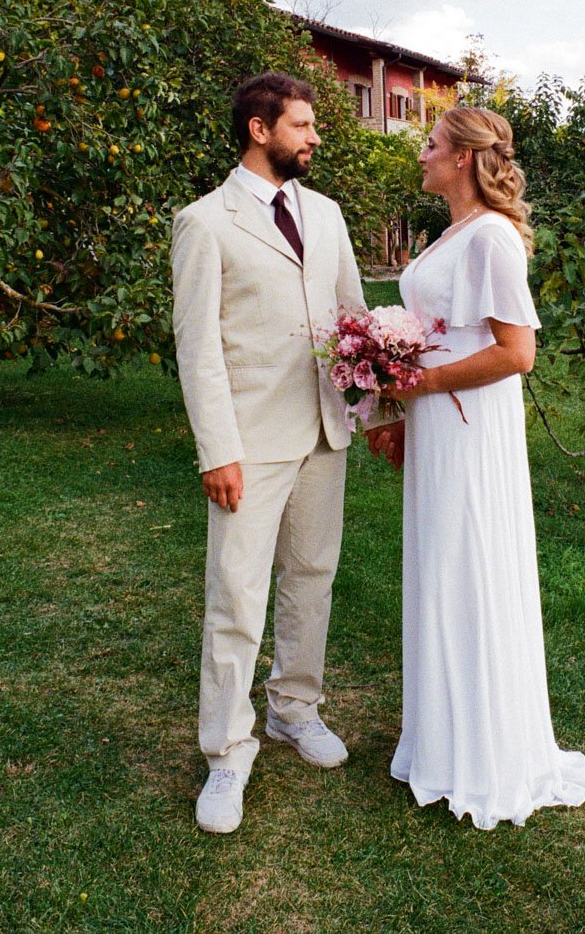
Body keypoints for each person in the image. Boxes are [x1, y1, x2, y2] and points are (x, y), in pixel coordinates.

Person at [171, 72, 398, 834]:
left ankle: (294, 710)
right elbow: (197, 348)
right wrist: (216, 451)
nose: (315, 138)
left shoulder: (327, 213)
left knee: (312, 577)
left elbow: (354, 321)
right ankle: (227, 751)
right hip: (249, 442)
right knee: (235, 596)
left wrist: (375, 416)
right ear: (260, 130)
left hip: (324, 433)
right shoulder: (205, 222)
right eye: (302, 126)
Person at [372, 106, 585, 830]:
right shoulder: (451, 234)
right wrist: (401, 404)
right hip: (438, 424)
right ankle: (442, 737)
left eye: (431, 145)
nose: (422, 155)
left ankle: (486, 752)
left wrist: (425, 386)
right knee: (439, 565)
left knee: (469, 563)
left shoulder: (494, 238)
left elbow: (517, 352)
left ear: (466, 158)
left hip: (471, 432)